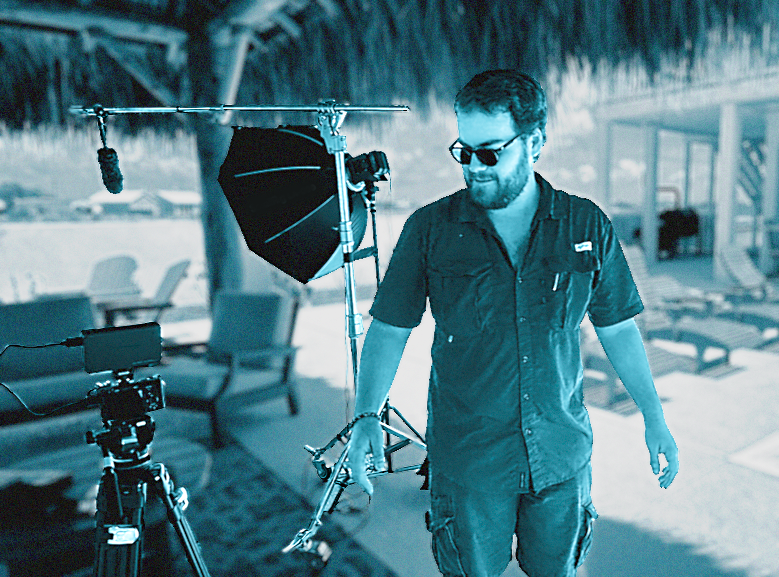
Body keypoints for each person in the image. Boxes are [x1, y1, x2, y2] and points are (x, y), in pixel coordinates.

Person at [348, 69, 679, 577]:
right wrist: (366, 415)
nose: (473, 169)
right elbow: (390, 329)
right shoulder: (429, 229)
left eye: (490, 154)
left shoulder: (586, 224)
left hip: (561, 455)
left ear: (535, 142)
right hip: (468, 461)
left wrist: (654, 416)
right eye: (464, 152)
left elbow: (617, 328)